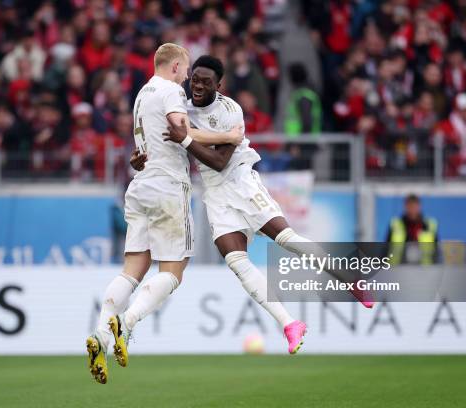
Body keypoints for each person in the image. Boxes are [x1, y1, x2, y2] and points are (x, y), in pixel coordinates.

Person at [134, 55, 374, 351]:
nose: (197, 86)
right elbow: (166, 138)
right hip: (215, 195)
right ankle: (289, 323)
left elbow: (220, 161)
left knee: (286, 239)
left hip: (241, 182)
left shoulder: (229, 110)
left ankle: (350, 279)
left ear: (218, 85)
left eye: (205, 82)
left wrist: (185, 140)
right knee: (237, 263)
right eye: (194, 79)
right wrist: (142, 157)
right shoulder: (179, 108)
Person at [86, 44, 242, 385]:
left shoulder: (142, 93)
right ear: (174, 67)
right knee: (173, 271)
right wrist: (228, 136)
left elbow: (148, 141)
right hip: (168, 187)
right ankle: (125, 323)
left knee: (133, 269)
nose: (188, 79)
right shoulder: (171, 91)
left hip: (139, 185)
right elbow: (180, 130)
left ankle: (100, 333)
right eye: (185, 71)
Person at [386, 194, 438, 265]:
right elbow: (386, 249)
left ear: (419, 206)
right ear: (405, 206)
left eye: (414, 206)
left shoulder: (430, 224)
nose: (412, 209)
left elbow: (436, 250)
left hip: (424, 269)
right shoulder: (395, 224)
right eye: (410, 206)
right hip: (398, 268)